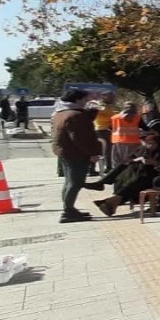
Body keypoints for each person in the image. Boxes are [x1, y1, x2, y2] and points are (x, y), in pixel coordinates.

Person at [51, 88, 102, 223]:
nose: (87, 103)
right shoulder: (75, 115)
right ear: (77, 100)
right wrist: (94, 153)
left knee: (69, 182)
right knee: (75, 183)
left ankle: (69, 209)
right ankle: (68, 211)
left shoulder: (60, 113)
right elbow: (81, 137)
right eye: (85, 100)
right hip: (75, 153)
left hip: (65, 152)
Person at [87, 133, 160, 216]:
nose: (150, 146)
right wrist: (138, 159)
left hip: (152, 176)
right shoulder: (142, 149)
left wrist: (154, 163)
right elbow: (129, 159)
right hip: (137, 173)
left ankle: (109, 203)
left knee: (137, 181)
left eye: (153, 144)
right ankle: (106, 194)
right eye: (148, 143)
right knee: (123, 169)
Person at [92, 98, 115, 172]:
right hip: (102, 130)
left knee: (105, 151)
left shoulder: (106, 109)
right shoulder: (103, 110)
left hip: (102, 130)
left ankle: (107, 167)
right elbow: (110, 118)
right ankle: (106, 167)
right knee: (105, 151)